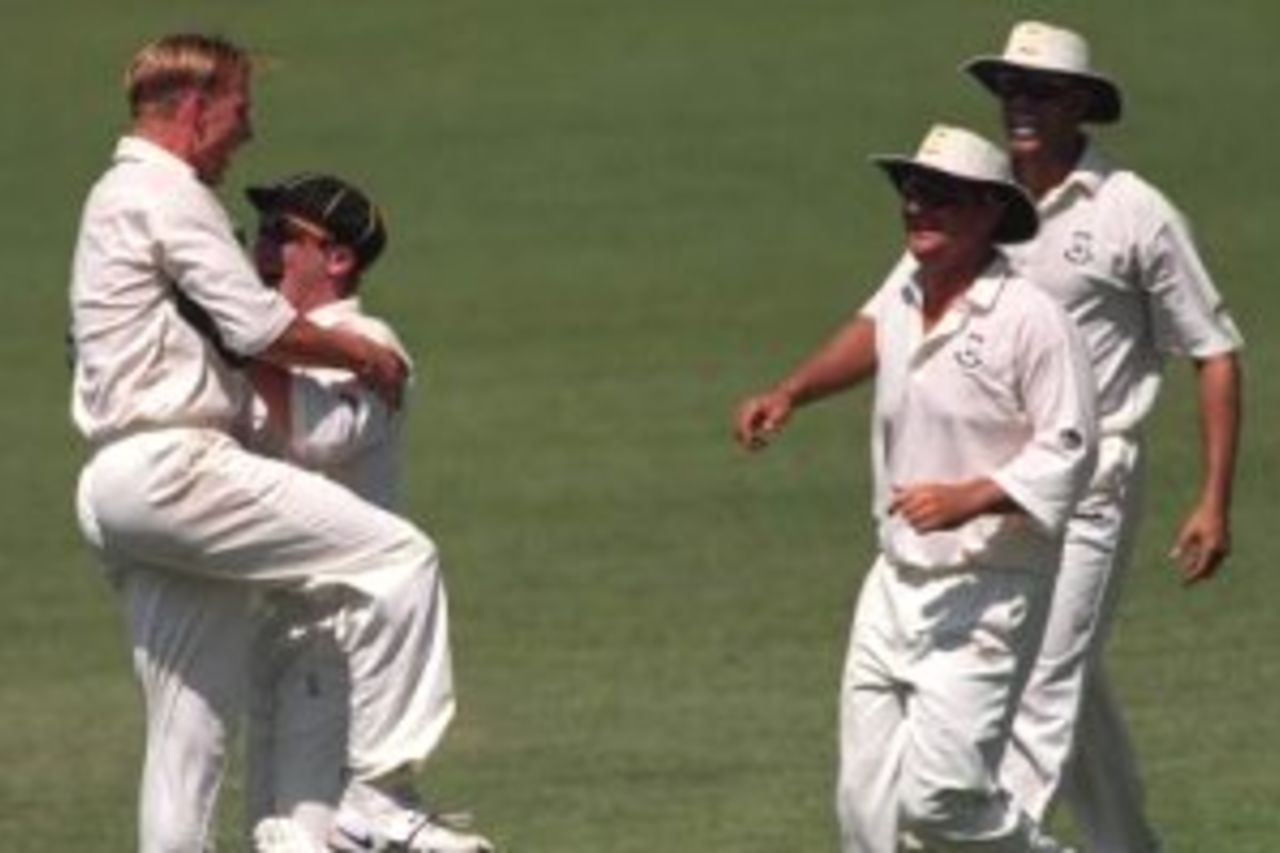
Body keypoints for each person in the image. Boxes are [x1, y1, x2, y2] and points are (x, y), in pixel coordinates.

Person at [69, 33, 486, 853]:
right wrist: (359, 355)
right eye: (239, 112)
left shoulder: (109, 203)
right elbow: (258, 327)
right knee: (402, 558)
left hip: (120, 485)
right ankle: (381, 792)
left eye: (278, 233)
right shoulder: (170, 193)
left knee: (183, 743)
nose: (245, 132)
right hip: (176, 466)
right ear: (195, 109)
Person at [735, 124, 1098, 852]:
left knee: (940, 802)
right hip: (893, 577)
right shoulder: (907, 284)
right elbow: (872, 331)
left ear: (991, 211)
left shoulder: (1031, 318)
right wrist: (792, 391)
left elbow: (1071, 444)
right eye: (912, 192)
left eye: (942, 197)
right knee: (864, 807)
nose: (918, 209)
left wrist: (972, 495)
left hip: (987, 583)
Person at [961, 21, 1244, 851]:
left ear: (1081, 103)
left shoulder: (1134, 211)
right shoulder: (974, 199)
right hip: (992, 485)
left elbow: (1216, 350)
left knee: (1037, 684)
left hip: (1092, 485)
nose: (1020, 104)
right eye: (1011, 87)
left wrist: (1212, 500)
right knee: (1064, 681)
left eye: (1041, 89)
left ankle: (989, 839)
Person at [239, 173, 491, 853]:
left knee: (305, 838)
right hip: (279, 628)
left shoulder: (367, 338)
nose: (265, 247)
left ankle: (382, 794)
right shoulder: (265, 344)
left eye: (285, 235)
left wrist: (236, 330)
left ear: (339, 258)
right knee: (279, 840)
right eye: (261, 231)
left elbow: (322, 435)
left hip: (348, 632)